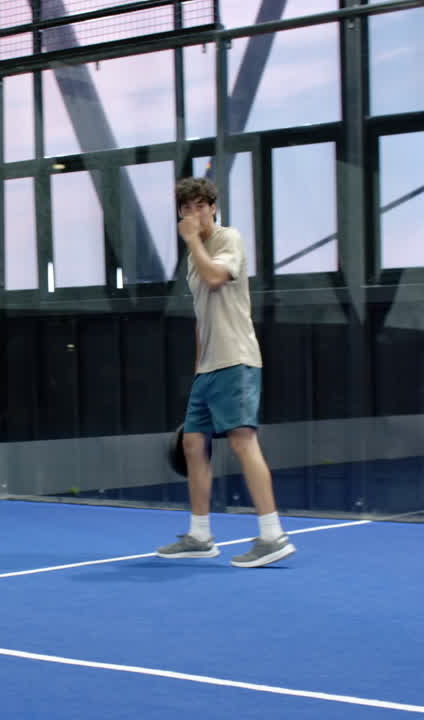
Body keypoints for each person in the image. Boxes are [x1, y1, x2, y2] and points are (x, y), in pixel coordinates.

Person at [156, 177, 296, 568]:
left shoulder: (227, 239)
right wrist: (199, 367)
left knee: (241, 441)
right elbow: (202, 317)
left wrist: (192, 240)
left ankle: (272, 535)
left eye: (201, 206)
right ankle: (200, 535)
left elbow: (217, 278)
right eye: (187, 208)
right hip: (209, 367)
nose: (194, 213)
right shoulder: (193, 255)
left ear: (213, 208)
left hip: (236, 358)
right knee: (193, 444)